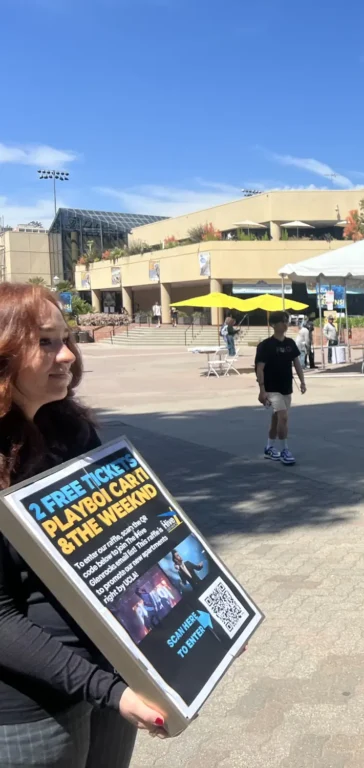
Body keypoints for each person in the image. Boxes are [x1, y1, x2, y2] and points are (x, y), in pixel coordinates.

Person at [0, 283, 167, 767]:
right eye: (46, 343)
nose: (69, 356)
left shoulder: (71, 430)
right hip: (36, 710)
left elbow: (136, 538)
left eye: (68, 339)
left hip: (116, 680)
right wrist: (110, 691)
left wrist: (200, 629)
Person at [256, 311, 306, 465]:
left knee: (277, 418)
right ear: (273, 324)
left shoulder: (290, 343)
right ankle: (285, 450)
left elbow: (296, 363)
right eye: (282, 321)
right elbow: (259, 368)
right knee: (283, 417)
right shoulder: (265, 345)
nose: (286, 324)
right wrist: (262, 390)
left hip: (286, 386)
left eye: (287, 321)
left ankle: (269, 448)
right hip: (272, 388)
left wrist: (302, 381)